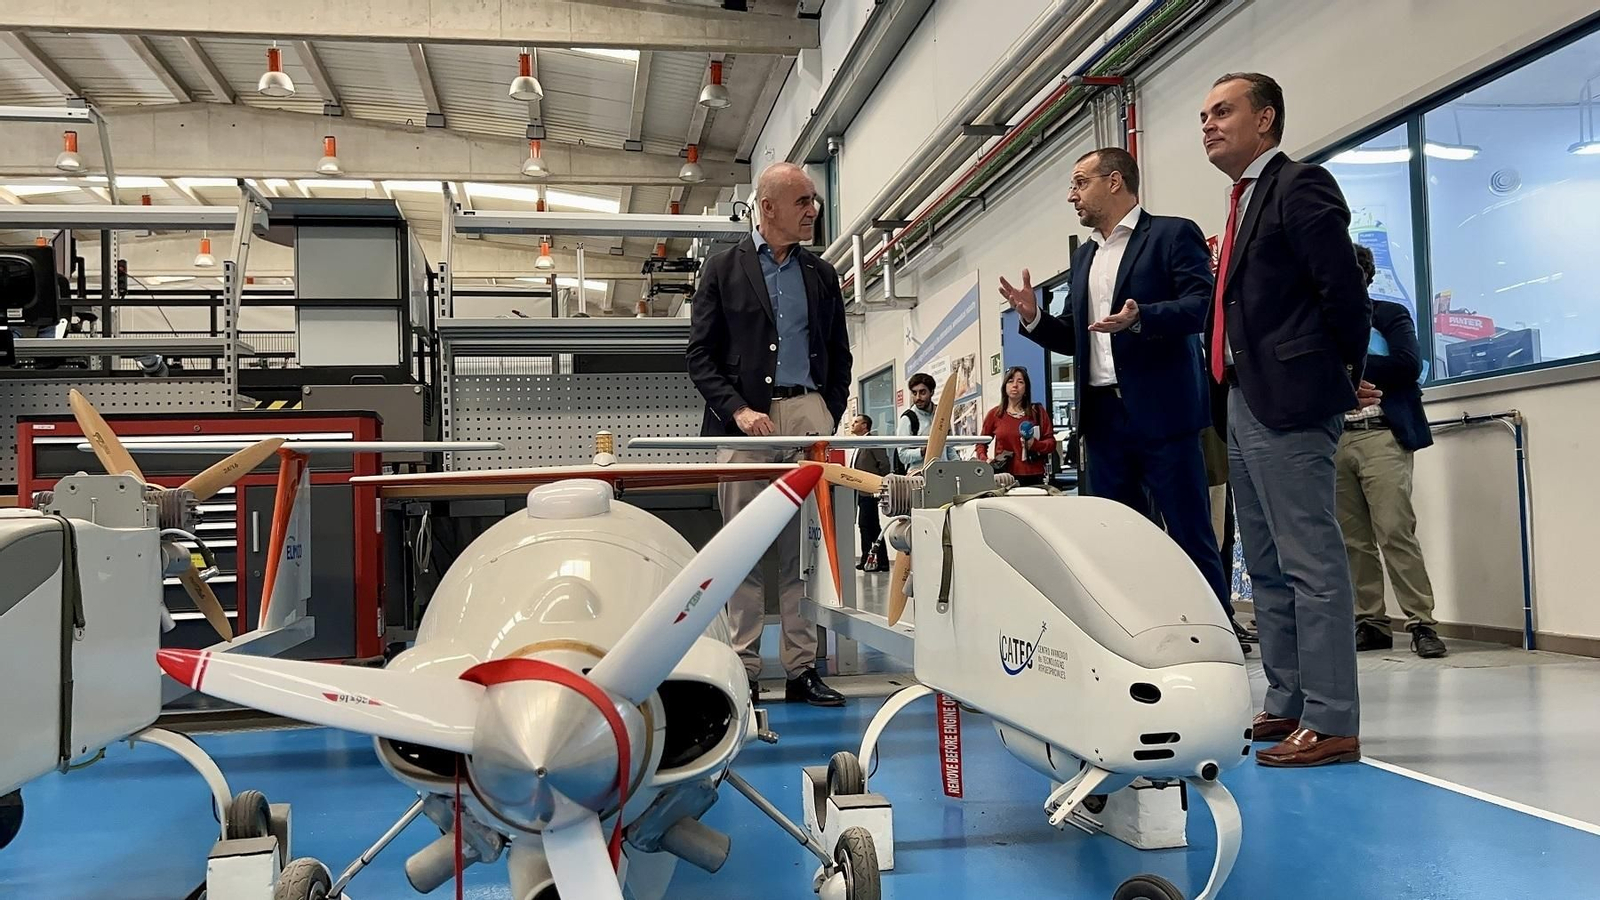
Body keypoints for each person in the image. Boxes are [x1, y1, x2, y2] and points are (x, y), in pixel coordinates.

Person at [998, 147, 1248, 650]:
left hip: (1164, 411)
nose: (1072, 195)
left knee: (1189, 529)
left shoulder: (1173, 233)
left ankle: (1216, 632)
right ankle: (1135, 634)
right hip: (1104, 418)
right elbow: (1078, 334)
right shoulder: (1084, 256)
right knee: (1117, 536)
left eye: (1080, 182)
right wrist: (1033, 320)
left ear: (1115, 182)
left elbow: (1202, 306)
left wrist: (1143, 318)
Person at [1201, 72, 1374, 767]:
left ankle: (1332, 719)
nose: (1208, 124)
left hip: (1290, 399)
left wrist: (1336, 379)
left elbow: (1344, 293)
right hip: (1241, 397)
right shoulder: (1240, 203)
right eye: (1204, 115)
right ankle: (1287, 701)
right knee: (1264, 563)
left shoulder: (1300, 185)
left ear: (1265, 119)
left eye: (1223, 111)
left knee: (1311, 562)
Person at [685, 161, 852, 708]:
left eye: (813, 201)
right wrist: (737, 411)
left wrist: (824, 413)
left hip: (807, 417)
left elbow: (841, 357)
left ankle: (803, 668)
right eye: (803, 201)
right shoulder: (721, 268)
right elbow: (700, 356)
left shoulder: (821, 275)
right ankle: (745, 669)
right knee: (744, 549)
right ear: (769, 207)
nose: (812, 211)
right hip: (744, 423)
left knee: (804, 550)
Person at [1339, 244, 1447, 659]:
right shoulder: (1321, 320)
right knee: (1353, 540)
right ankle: (1371, 621)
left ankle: (1421, 622)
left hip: (1382, 433)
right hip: (1335, 438)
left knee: (1394, 530)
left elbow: (1406, 365)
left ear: (1364, 277)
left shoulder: (1388, 314)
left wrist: (1346, 366)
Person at [976, 367, 1056, 487]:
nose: (1015, 385)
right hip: (1005, 477)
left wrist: (1035, 444)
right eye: (1010, 381)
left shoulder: (1037, 412)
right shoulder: (995, 414)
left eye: (1020, 382)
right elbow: (980, 443)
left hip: (1034, 476)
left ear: (1026, 388)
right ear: (1004, 386)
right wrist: (985, 461)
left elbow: (1051, 443)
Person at [846, 414, 892, 570]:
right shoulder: (859, 444)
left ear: (865, 426)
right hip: (860, 492)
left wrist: (878, 486)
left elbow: (884, 464)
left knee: (870, 526)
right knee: (866, 526)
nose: (852, 425)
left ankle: (880, 561)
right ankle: (870, 559)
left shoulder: (872, 441)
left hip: (870, 492)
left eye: (856, 422)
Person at [894, 372, 958, 472]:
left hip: (944, 474)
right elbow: (902, 455)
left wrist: (958, 467)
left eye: (922, 392)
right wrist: (922, 451)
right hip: (918, 476)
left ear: (931, 392)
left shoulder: (942, 415)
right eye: (914, 393)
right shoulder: (908, 419)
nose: (918, 398)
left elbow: (949, 448)